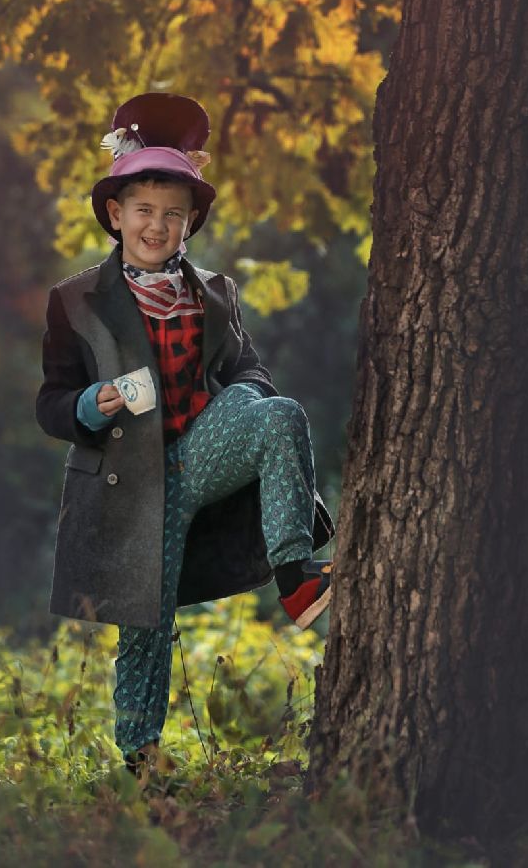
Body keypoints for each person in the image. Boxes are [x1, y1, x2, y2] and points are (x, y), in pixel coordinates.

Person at [35, 92, 334, 776]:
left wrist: (240, 408)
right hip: (132, 483)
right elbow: (50, 403)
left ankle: (295, 574)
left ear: (190, 222)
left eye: (172, 214)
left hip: (201, 452)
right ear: (116, 215)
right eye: (144, 210)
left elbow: (248, 369)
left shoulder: (214, 292)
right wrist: (90, 404)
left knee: (277, 409)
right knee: (147, 622)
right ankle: (141, 758)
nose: (157, 225)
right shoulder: (75, 301)